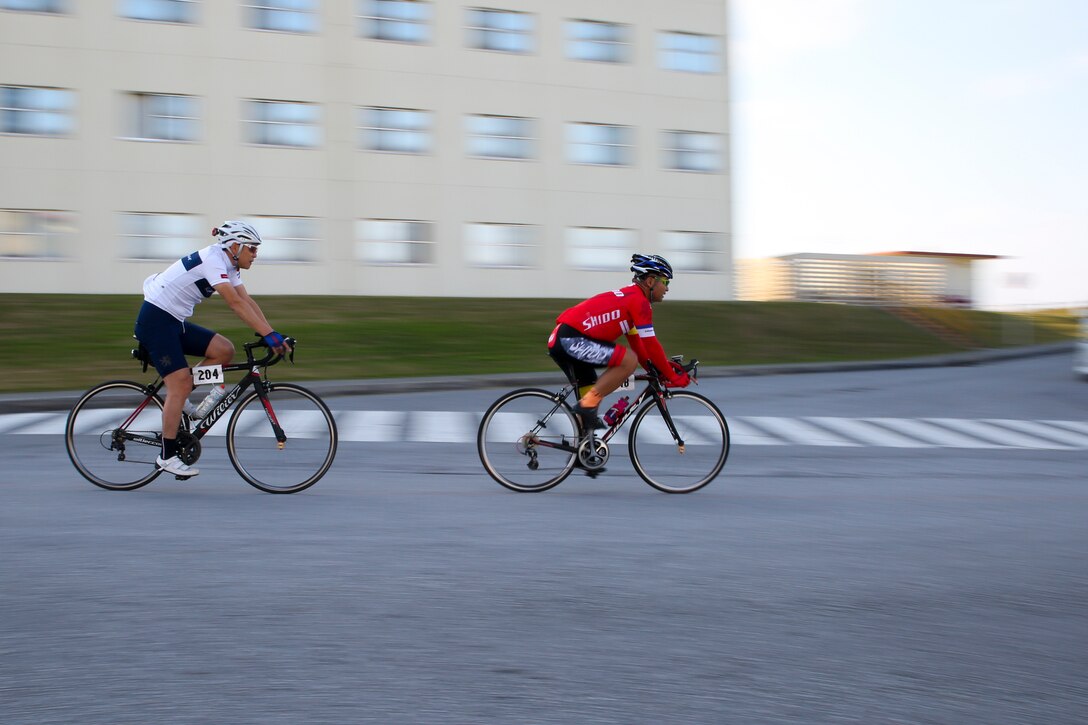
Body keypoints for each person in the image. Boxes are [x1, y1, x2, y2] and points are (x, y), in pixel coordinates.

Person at [133, 221, 291, 477]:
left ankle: (180, 396)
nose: (255, 254)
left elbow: (246, 300)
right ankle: (167, 455)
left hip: (174, 321)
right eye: (252, 248)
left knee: (224, 351)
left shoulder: (230, 264)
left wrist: (272, 333)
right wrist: (269, 335)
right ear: (236, 246)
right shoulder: (213, 259)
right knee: (180, 383)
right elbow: (234, 304)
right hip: (156, 320)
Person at [548, 253, 690, 431]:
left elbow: (639, 344)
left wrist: (655, 370)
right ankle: (585, 407)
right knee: (628, 361)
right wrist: (672, 376)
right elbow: (651, 344)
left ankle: (582, 453)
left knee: (589, 411)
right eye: (666, 282)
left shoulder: (630, 298)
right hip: (570, 339)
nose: (667, 288)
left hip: (564, 338)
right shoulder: (639, 302)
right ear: (651, 281)